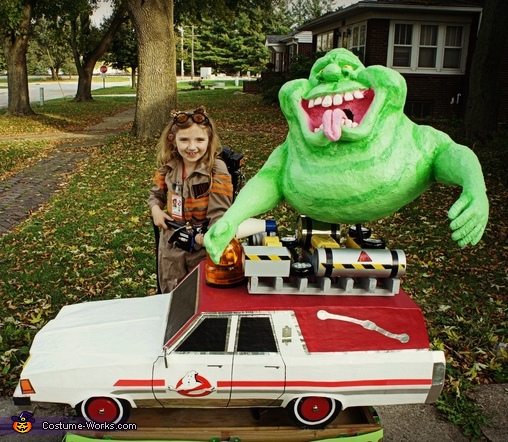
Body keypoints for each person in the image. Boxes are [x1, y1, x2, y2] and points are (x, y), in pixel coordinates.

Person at [148, 106, 233, 293]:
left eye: (199, 140)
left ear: (209, 141)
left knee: (200, 291)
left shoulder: (216, 169)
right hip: (172, 244)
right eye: (184, 140)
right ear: (173, 140)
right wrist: (155, 209)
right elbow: (155, 195)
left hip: (201, 246)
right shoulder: (168, 167)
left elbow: (220, 212)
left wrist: (211, 237)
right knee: (171, 289)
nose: (192, 147)